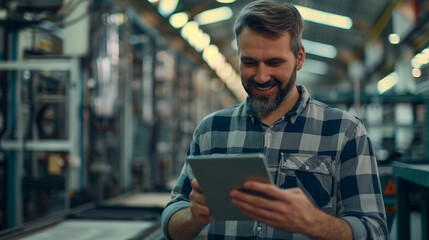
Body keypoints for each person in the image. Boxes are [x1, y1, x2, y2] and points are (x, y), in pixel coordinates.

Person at [161, 0, 388, 239]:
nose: (261, 76)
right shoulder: (210, 131)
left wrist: (314, 223)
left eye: (274, 62)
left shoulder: (344, 132)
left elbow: (375, 230)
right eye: (249, 62)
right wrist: (193, 217)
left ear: (299, 58)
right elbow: (171, 221)